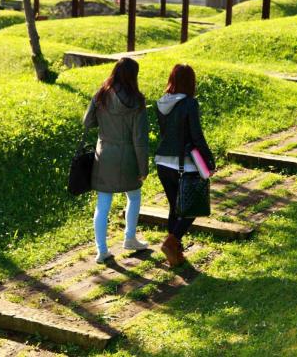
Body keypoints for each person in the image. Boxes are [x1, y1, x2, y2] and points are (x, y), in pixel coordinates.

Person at [83, 57, 150, 264]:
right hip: (128, 155)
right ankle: (130, 238)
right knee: (134, 196)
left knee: (102, 204)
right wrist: (143, 167)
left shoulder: (101, 94)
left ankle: (101, 251)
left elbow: (87, 122)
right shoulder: (137, 101)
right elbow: (140, 139)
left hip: (104, 154)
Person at [155, 64, 216, 267]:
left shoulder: (161, 102)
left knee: (175, 207)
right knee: (192, 208)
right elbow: (196, 135)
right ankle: (171, 243)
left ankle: (175, 254)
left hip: (163, 162)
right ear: (190, 82)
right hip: (184, 164)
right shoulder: (190, 103)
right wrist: (208, 160)